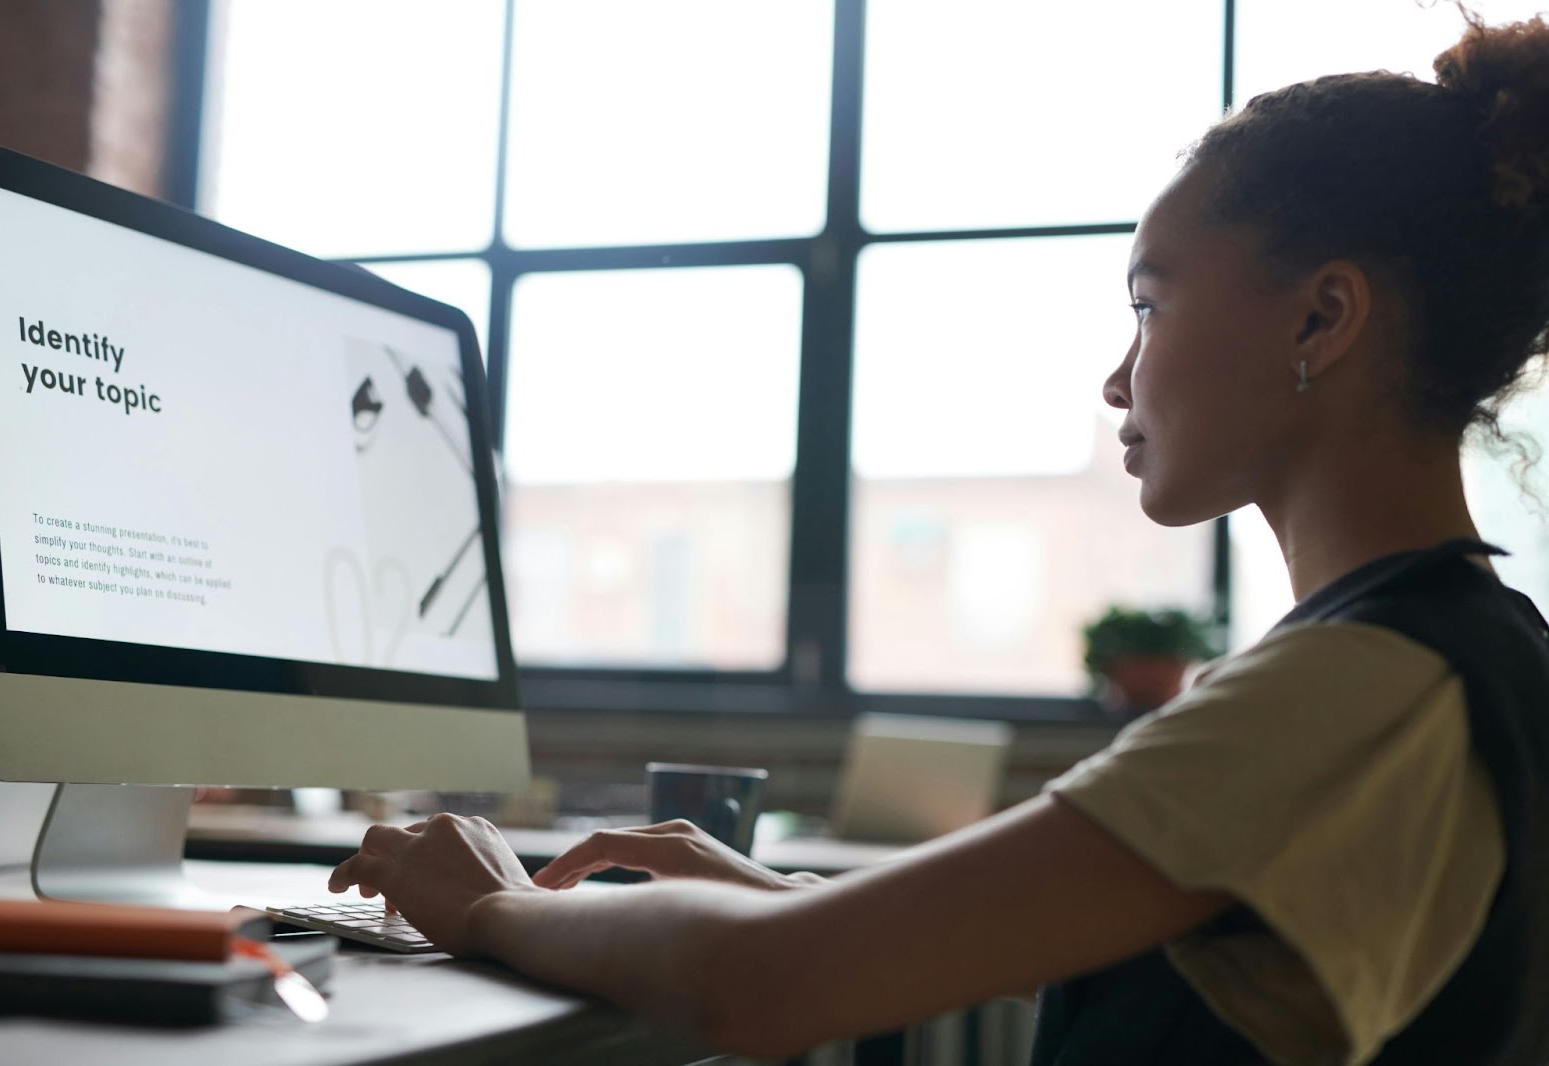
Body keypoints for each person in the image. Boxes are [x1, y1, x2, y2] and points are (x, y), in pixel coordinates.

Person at [328, 12, 1549, 1064]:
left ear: (1323, 315)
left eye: (1149, 302)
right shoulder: (1475, 654)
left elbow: (766, 986)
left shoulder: (1357, 689)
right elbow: (1185, 972)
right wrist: (772, 895)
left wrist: (488, 905)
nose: (1118, 378)